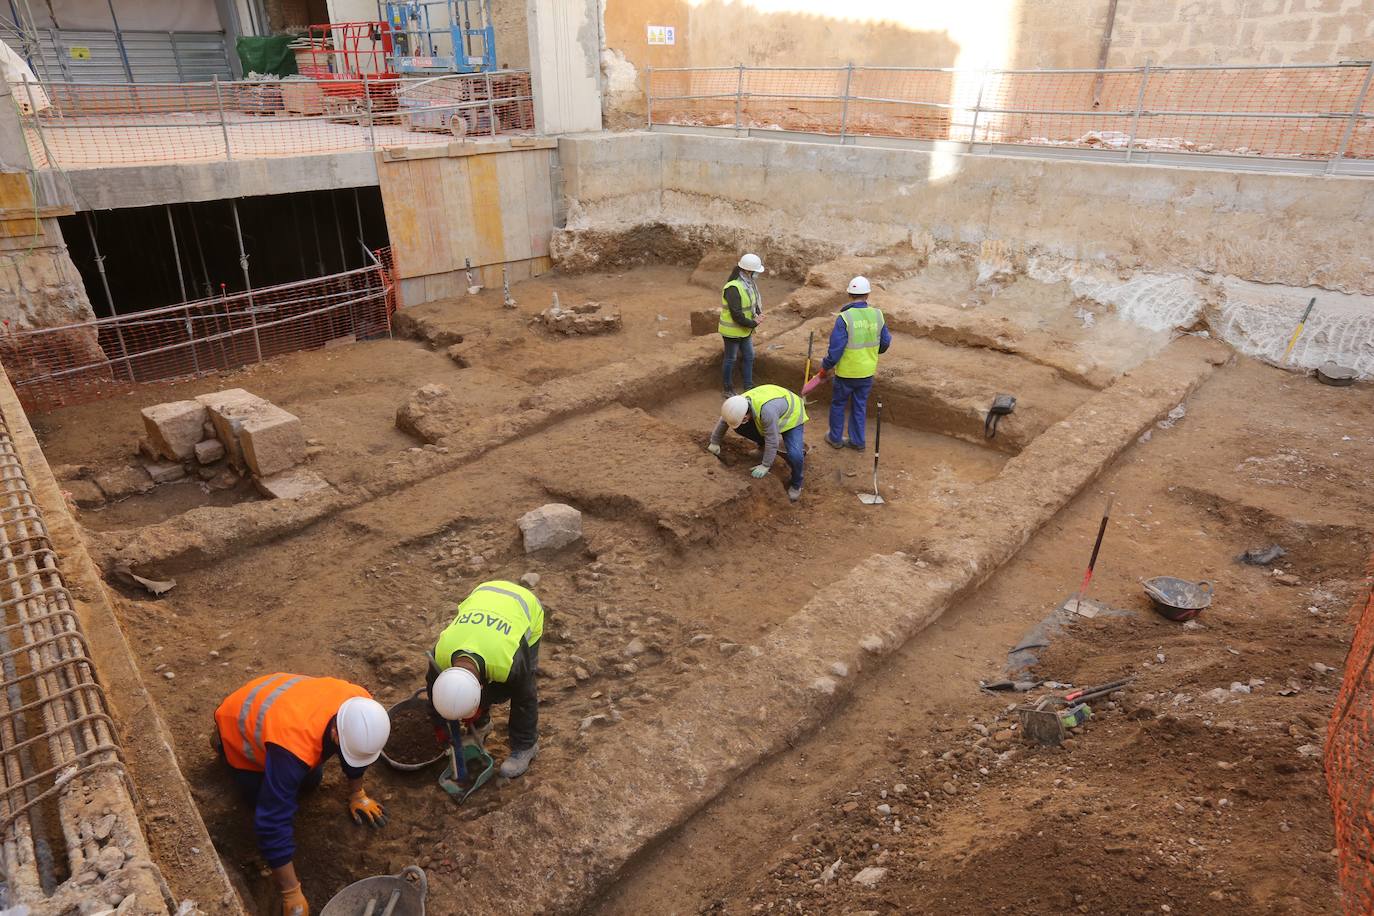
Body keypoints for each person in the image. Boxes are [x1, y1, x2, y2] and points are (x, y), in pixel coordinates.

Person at [212, 674, 391, 916]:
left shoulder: (361, 706)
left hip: (280, 701)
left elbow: (356, 753)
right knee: (262, 799)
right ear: (336, 735)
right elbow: (272, 823)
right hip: (238, 724)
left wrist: (357, 793)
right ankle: (221, 744)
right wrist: (291, 892)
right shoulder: (291, 747)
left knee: (309, 780)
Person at [428, 580, 544, 779]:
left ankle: (526, 746)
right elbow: (433, 688)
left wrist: (481, 703)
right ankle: (482, 725)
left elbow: (525, 697)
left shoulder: (508, 663)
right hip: (485, 592)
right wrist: (440, 724)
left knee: (521, 692)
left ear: (481, 687)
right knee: (476, 695)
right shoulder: (440, 654)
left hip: (526, 607)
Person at [821, 276, 892, 451]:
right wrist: (874, 353)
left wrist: (826, 365)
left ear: (849, 294)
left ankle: (835, 438)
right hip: (867, 371)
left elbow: (836, 349)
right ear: (867, 294)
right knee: (859, 406)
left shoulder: (844, 318)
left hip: (846, 372)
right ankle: (857, 441)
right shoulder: (877, 314)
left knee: (838, 404)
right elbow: (885, 341)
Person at [708, 384, 807, 502]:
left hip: (792, 416)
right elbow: (725, 420)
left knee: (795, 455)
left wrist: (765, 465)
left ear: (746, 415)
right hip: (773, 409)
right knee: (739, 427)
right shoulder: (738, 404)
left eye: (743, 419)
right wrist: (715, 442)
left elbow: (772, 439)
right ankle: (762, 447)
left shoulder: (766, 412)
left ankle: (796, 484)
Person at [719, 253, 766, 398]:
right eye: (756, 272)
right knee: (730, 359)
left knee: (749, 356)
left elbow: (752, 302)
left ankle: (748, 385)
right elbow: (736, 314)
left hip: (745, 329)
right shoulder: (733, 288)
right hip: (732, 331)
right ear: (748, 271)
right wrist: (754, 323)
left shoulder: (748, 284)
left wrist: (757, 313)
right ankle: (727, 388)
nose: (757, 274)